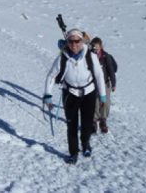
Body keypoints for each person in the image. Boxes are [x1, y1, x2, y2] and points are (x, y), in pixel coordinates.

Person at [44, 29, 107, 164]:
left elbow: (99, 75)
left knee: (86, 123)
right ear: (67, 42)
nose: (74, 44)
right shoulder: (62, 57)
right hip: (70, 94)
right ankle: (73, 153)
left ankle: (85, 145)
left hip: (88, 93)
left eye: (77, 41)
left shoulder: (90, 55)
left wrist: (102, 95)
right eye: (71, 41)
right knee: (71, 125)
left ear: (82, 41)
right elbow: (51, 76)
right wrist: (47, 94)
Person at [90, 37, 116, 134]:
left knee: (105, 101)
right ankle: (93, 121)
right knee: (95, 102)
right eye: (94, 47)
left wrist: (113, 83)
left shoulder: (106, 57)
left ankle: (103, 120)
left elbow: (111, 71)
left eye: (97, 47)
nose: (96, 49)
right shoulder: (89, 56)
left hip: (105, 83)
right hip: (93, 83)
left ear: (101, 47)